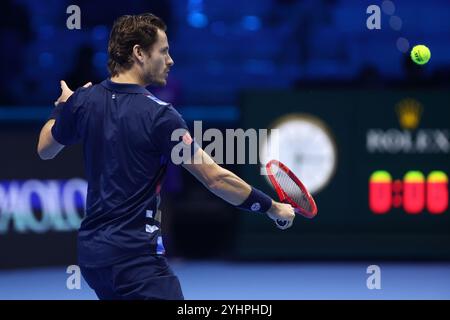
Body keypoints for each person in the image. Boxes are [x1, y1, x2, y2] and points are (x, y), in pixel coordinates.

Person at [37, 13, 295, 300]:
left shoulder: (83, 101)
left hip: (93, 260)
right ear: (139, 53)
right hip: (136, 262)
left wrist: (62, 107)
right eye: (163, 51)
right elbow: (215, 178)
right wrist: (272, 207)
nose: (170, 60)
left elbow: (45, 150)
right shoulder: (160, 115)